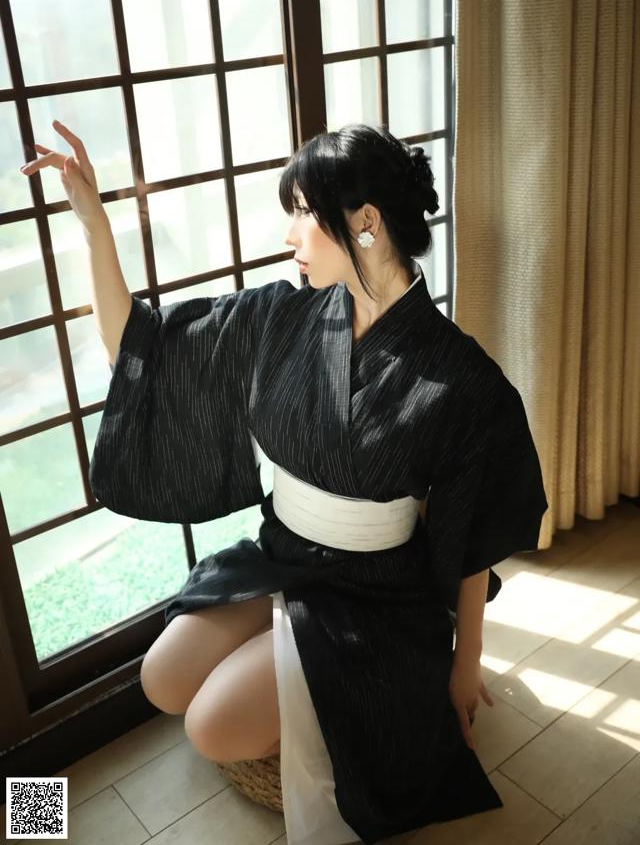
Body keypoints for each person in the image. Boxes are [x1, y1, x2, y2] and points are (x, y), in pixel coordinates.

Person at [19, 121, 548, 845]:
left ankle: (337, 701)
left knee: (208, 725)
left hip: (376, 595)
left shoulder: (459, 378)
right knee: (161, 680)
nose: (290, 234)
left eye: (303, 211)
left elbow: (473, 535)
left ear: (364, 223)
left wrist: (465, 665)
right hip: (286, 554)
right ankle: (291, 680)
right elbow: (139, 347)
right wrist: (95, 228)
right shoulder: (283, 314)